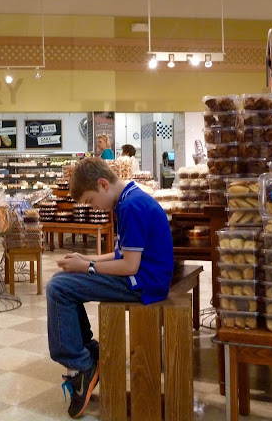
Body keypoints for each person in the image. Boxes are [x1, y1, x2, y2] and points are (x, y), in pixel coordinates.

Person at [46, 157, 174, 418]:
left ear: (103, 184)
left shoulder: (130, 207)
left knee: (58, 288)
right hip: (146, 277)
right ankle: (88, 353)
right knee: (62, 283)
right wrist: (85, 260)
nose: (94, 208)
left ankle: (82, 363)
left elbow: (129, 266)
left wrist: (88, 268)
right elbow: (120, 255)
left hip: (144, 284)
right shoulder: (129, 198)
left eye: (91, 201)